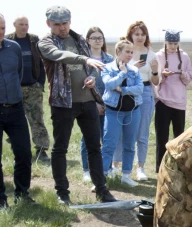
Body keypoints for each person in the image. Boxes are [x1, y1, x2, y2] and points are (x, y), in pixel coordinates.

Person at [37, 5, 116, 204]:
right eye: (57, 24)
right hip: (63, 103)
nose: (62, 28)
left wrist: (91, 76)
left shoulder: (79, 39)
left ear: (70, 22)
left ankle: (101, 190)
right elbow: (59, 55)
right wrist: (85, 59)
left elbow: (93, 68)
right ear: (49, 24)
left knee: (94, 147)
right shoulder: (45, 42)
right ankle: (62, 193)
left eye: (65, 23)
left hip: (87, 101)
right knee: (60, 148)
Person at [110, 21, 159, 182]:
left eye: (142, 34)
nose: (140, 37)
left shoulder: (152, 54)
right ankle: (116, 166)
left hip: (145, 92)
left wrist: (155, 70)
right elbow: (118, 70)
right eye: (136, 34)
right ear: (130, 35)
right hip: (124, 93)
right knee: (121, 131)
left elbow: (156, 81)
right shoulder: (126, 52)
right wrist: (133, 67)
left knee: (142, 133)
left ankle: (140, 168)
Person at [0, 13, 35, 208]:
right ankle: (1, 200)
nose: (1, 32)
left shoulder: (13, 48)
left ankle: (22, 194)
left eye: (3, 28)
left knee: (23, 152)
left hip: (15, 108)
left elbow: (18, 73)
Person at [6, 15, 50, 163]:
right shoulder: (7, 42)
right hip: (13, 89)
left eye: (26, 24)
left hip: (32, 87)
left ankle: (41, 150)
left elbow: (41, 61)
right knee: (13, 120)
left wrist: (40, 83)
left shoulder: (33, 40)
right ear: (14, 25)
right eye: (21, 24)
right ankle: (17, 148)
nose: (24, 27)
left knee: (37, 118)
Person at [100, 39, 143, 186]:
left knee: (129, 144)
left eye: (132, 52)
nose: (130, 55)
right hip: (113, 112)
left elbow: (140, 89)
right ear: (118, 52)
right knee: (109, 144)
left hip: (132, 112)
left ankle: (126, 175)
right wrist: (122, 74)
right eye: (127, 52)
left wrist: (123, 90)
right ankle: (102, 177)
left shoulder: (135, 70)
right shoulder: (107, 68)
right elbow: (109, 84)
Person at [153, 29, 192, 173]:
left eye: (175, 43)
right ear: (165, 41)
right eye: (170, 43)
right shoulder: (158, 56)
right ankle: (160, 168)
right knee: (161, 136)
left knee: (179, 135)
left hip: (179, 101)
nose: (172, 46)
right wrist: (162, 74)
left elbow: (189, 77)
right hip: (163, 101)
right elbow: (155, 78)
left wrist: (183, 74)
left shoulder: (184, 56)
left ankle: (178, 167)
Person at [80, 27, 113, 183]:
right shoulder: (83, 60)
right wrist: (95, 104)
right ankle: (87, 170)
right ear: (88, 40)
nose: (98, 40)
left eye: (100, 37)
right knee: (88, 138)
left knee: (107, 137)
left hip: (109, 104)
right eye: (94, 38)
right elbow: (82, 83)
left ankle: (107, 168)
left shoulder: (110, 59)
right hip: (89, 104)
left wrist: (107, 103)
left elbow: (113, 82)